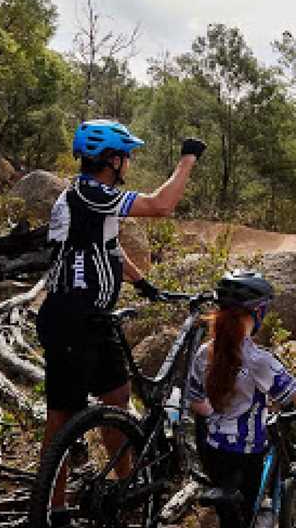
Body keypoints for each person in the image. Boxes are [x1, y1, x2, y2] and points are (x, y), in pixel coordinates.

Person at [36, 119, 206, 522]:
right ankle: (51, 509)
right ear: (111, 159)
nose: (128, 161)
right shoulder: (91, 194)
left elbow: (108, 246)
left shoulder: (87, 197)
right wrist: (187, 161)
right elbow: (161, 205)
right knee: (62, 418)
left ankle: (125, 489)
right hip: (72, 319)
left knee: (117, 399)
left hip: (90, 319)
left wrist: (144, 285)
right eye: (125, 154)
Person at [187, 270, 296, 528]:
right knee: (248, 512)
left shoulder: (204, 352)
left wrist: (220, 419)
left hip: (212, 448)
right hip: (246, 454)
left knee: (231, 517)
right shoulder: (259, 361)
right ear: (257, 313)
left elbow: (196, 402)